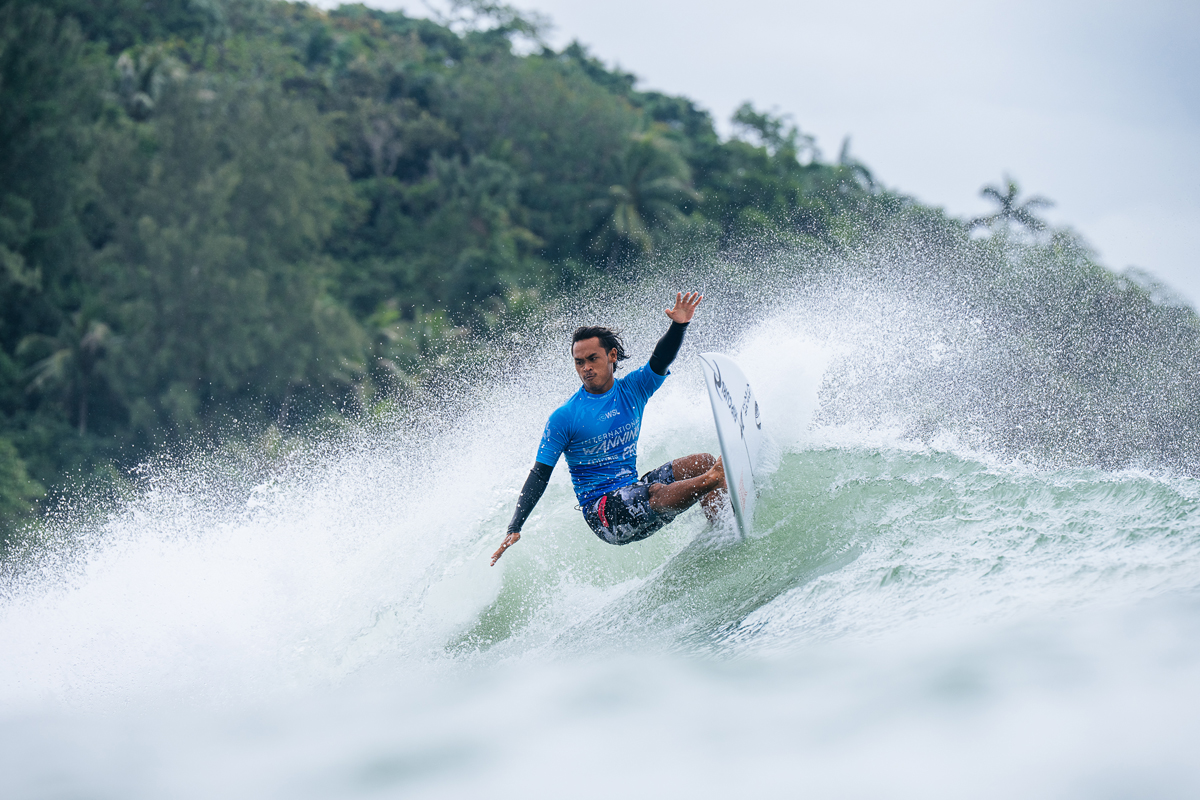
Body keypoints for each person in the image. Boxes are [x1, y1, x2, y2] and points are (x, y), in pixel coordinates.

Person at [490, 292, 727, 566]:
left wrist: (679, 325)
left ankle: (724, 527)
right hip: (604, 514)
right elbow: (539, 474)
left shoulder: (633, 390)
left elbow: (660, 359)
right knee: (661, 490)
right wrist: (514, 526)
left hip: (634, 491)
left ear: (612, 355)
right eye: (579, 362)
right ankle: (715, 478)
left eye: (592, 359)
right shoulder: (566, 417)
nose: (586, 368)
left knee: (702, 462)